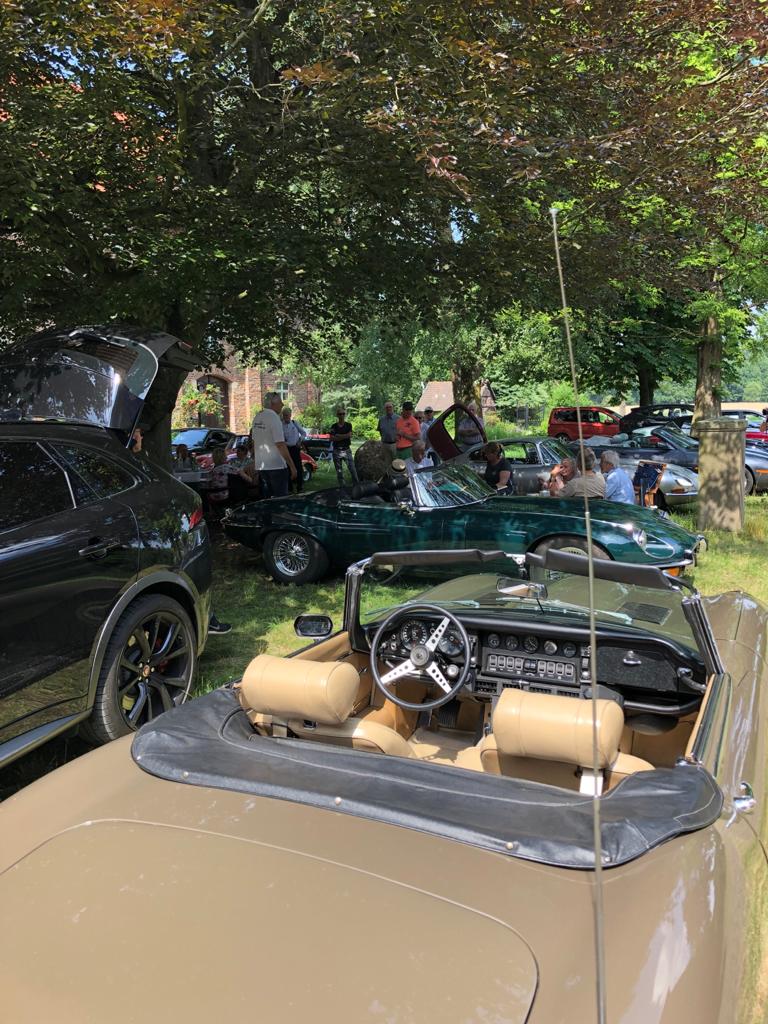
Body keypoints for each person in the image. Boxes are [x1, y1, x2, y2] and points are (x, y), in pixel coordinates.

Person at [252, 391, 296, 498]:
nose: (282, 404)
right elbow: (280, 444)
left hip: (262, 466)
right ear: (273, 403)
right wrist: (292, 466)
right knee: (280, 500)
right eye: (280, 402)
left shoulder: (257, 417)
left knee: (267, 500)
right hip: (276, 466)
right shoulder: (274, 418)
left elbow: (254, 442)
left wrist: (255, 461)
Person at [329, 407, 358, 486]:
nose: (341, 415)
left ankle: (357, 486)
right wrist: (345, 436)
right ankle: (342, 488)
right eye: (340, 414)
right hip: (336, 451)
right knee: (339, 472)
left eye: (343, 414)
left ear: (345, 415)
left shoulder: (348, 425)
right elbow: (331, 438)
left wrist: (338, 435)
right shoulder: (333, 426)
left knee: (353, 470)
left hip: (346, 450)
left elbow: (349, 435)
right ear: (337, 415)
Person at [281, 406, 307, 493]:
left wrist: (300, 441)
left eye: (287, 415)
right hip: (286, 449)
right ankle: (290, 488)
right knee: (287, 468)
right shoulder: (281, 425)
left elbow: (303, 433)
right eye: (284, 415)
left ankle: (300, 487)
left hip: (295, 448)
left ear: (290, 415)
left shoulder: (295, 423)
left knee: (298, 467)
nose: (286, 417)